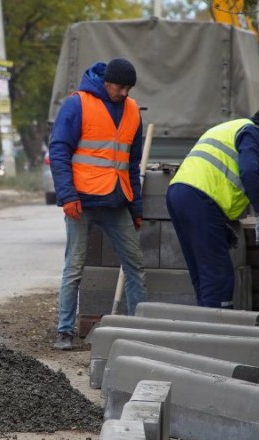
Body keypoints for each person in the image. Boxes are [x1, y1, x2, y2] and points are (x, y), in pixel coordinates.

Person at [48, 58, 148, 351]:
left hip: (117, 201)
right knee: (74, 266)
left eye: (129, 87)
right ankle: (64, 331)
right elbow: (59, 151)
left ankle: (139, 329)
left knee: (136, 265)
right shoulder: (78, 104)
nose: (125, 93)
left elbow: (132, 163)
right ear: (106, 81)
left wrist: (136, 207)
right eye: (120, 86)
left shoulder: (132, 110)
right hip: (82, 201)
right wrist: (67, 197)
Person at [166, 102, 259, 309]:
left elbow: (215, 176)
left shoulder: (229, 128)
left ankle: (206, 327)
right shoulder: (253, 132)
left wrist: (219, 225)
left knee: (203, 272)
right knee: (219, 275)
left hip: (179, 194)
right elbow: (249, 171)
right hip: (200, 200)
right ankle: (221, 334)